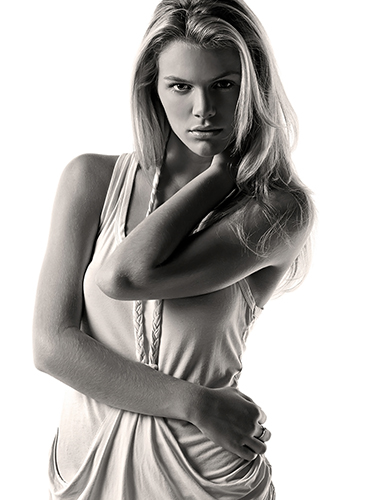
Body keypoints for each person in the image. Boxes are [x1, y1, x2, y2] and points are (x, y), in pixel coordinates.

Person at [33, 0, 315, 498]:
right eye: (180, 86)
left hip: (206, 477)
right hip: (88, 468)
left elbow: (126, 276)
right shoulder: (91, 181)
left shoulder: (277, 209)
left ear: (254, 88)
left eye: (224, 84)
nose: (203, 109)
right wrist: (195, 403)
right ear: (152, 89)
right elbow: (52, 346)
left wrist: (219, 178)